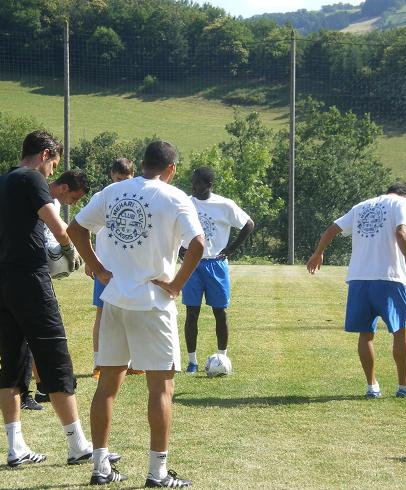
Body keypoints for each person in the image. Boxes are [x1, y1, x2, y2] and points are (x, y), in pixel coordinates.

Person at [67, 140, 204, 487]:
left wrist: (96, 267)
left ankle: (100, 467)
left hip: (114, 300)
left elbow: (75, 229)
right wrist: (175, 286)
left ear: (142, 164)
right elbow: (199, 244)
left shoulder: (114, 190)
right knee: (161, 389)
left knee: (107, 386)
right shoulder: (176, 198)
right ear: (171, 169)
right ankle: (157, 473)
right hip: (153, 303)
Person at [0, 130, 110, 467]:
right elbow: (60, 228)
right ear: (44, 154)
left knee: (12, 364)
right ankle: (77, 444)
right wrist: (71, 252)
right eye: (53, 162)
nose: (53, 171)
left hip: (1, 280)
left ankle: (16, 448)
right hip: (30, 281)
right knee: (55, 358)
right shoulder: (34, 179)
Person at [306, 180, 406, 399]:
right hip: (389, 278)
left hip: (358, 278)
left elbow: (332, 229)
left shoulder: (362, 206)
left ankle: (372, 388)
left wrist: (318, 253)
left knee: (365, 334)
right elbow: (401, 231)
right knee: (400, 331)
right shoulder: (404, 203)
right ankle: (405, 387)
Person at [21, 168, 91, 410]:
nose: (74, 202)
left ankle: (43, 387)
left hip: (38, 272)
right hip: (28, 271)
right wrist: (69, 250)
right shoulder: (45, 198)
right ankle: (32, 388)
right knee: (36, 332)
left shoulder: (53, 201)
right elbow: (57, 231)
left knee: (37, 331)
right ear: (63, 188)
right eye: (75, 197)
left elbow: (57, 231)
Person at [180, 167, 254, 373]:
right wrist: (179, 248)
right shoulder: (186, 202)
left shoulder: (224, 205)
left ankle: (222, 358)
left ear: (209, 185)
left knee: (220, 312)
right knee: (191, 312)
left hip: (215, 264)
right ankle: (192, 361)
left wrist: (230, 249)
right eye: (192, 182)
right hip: (192, 264)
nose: (193, 186)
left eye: (197, 183)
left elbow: (248, 224)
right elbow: (172, 226)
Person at [89, 157, 141, 380]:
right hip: (106, 268)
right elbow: (85, 229)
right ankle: (98, 363)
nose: (121, 183)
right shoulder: (101, 197)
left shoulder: (136, 197)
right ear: (111, 175)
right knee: (102, 315)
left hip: (129, 268)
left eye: (126, 179)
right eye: (118, 178)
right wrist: (92, 262)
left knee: (134, 315)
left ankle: (134, 362)